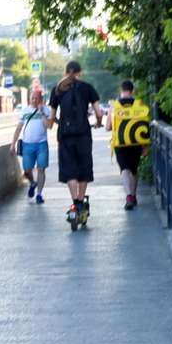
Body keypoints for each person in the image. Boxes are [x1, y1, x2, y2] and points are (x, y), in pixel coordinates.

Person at [49, 61, 101, 225]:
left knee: (69, 169)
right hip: (83, 134)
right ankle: (80, 201)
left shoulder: (57, 89)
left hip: (65, 135)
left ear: (65, 72)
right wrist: (99, 122)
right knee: (84, 168)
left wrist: (52, 123)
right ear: (80, 72)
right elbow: (99, 112)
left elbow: (51, 116)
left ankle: (75, 203)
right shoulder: (87, 87)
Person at [109, 80, 152, 210]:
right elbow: (145, 124)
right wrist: (145, 146)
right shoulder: (139, 104)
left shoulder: (114, 106)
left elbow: (108, 126)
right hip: (136, 142)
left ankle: (128, 196)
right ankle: (133, 195)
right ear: (132, 91)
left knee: (124, 169)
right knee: (133, 169)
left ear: (121, 90)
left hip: (120, 143)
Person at [10, 86, 51, 204]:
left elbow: (48, 125)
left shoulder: (46, 110)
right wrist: (13, 143)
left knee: (41, 169)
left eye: (36, 98)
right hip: (27, 145)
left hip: (42, 144)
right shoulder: (25, 111)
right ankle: (33, 183)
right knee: (27, 170)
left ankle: (39, 194)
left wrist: (42, 112)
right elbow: (18, 128)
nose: (34, 100)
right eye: (32, 98)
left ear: (41, 100)